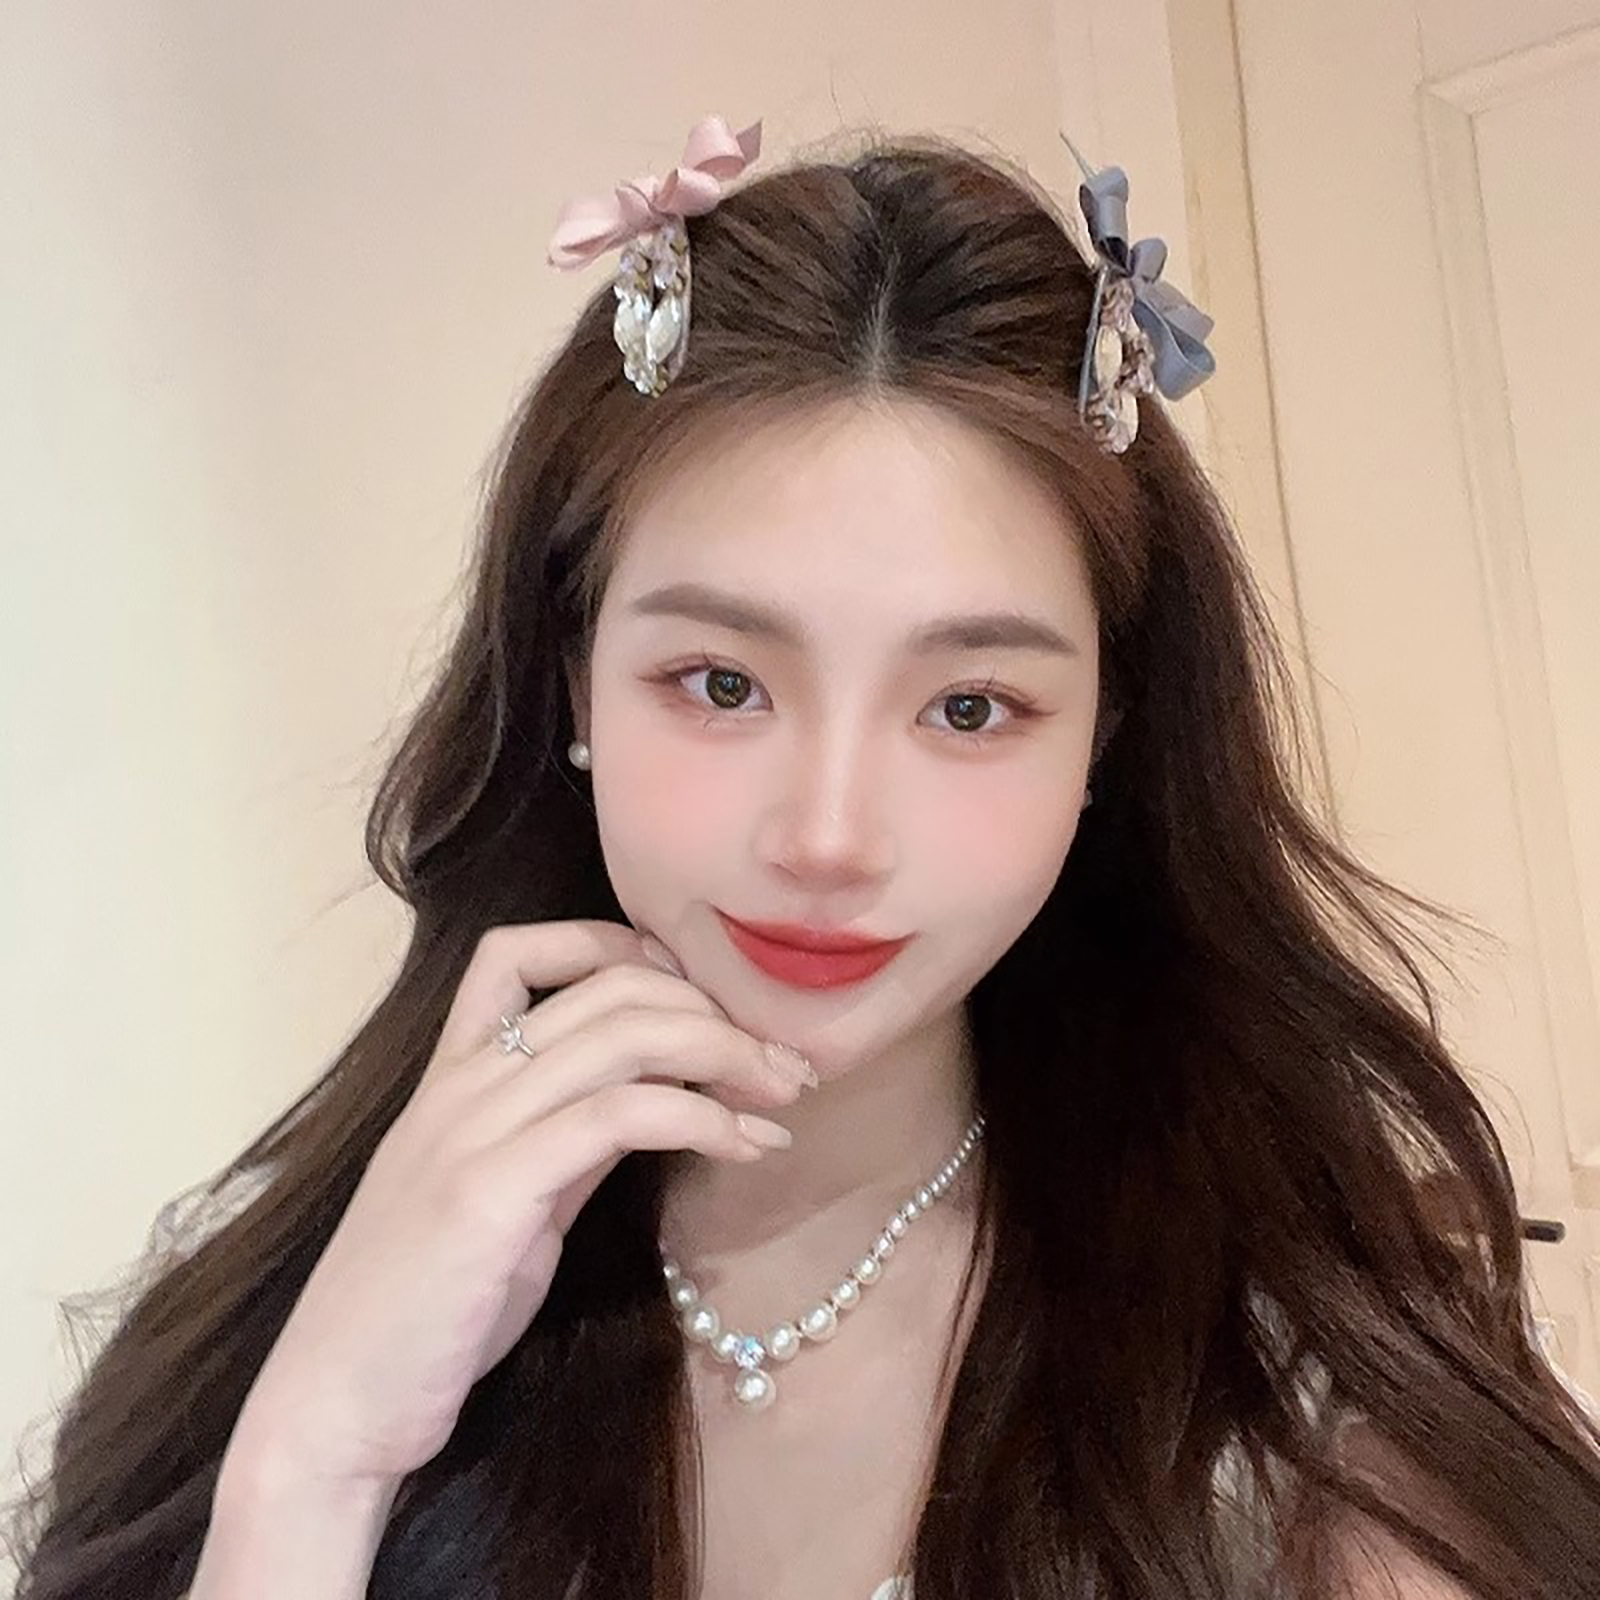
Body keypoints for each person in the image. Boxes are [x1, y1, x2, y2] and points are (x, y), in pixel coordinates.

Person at [7, 111, 1600, 1600]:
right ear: (572, 685)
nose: (829, 838)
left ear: (1104, 741)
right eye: (721, 684)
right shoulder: (291, 1317)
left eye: (969, 707)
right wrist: (315, 1461)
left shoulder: (1305, 1416)